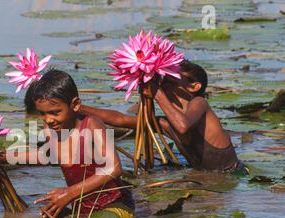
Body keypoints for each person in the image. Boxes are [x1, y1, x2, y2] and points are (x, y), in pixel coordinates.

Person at [12, 69, 135, 218]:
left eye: (55, 112)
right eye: (43, 114)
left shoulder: (91, 124)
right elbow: (44, 155)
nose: (48, 119)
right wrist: (2, 157)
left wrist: (69, 194)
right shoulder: (51, 131)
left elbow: (114, 168)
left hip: (114, 206)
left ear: (75, 105)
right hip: (83, 210)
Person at [77, 60, 248, 173]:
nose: (163, 81)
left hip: (232, 176)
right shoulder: (167, 124)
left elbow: (183, 125)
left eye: (170, 78)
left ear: (194, 86)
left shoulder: (199, 103)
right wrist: (79, 108)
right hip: (208, 179)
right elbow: (120, 120)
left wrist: (157, 94)